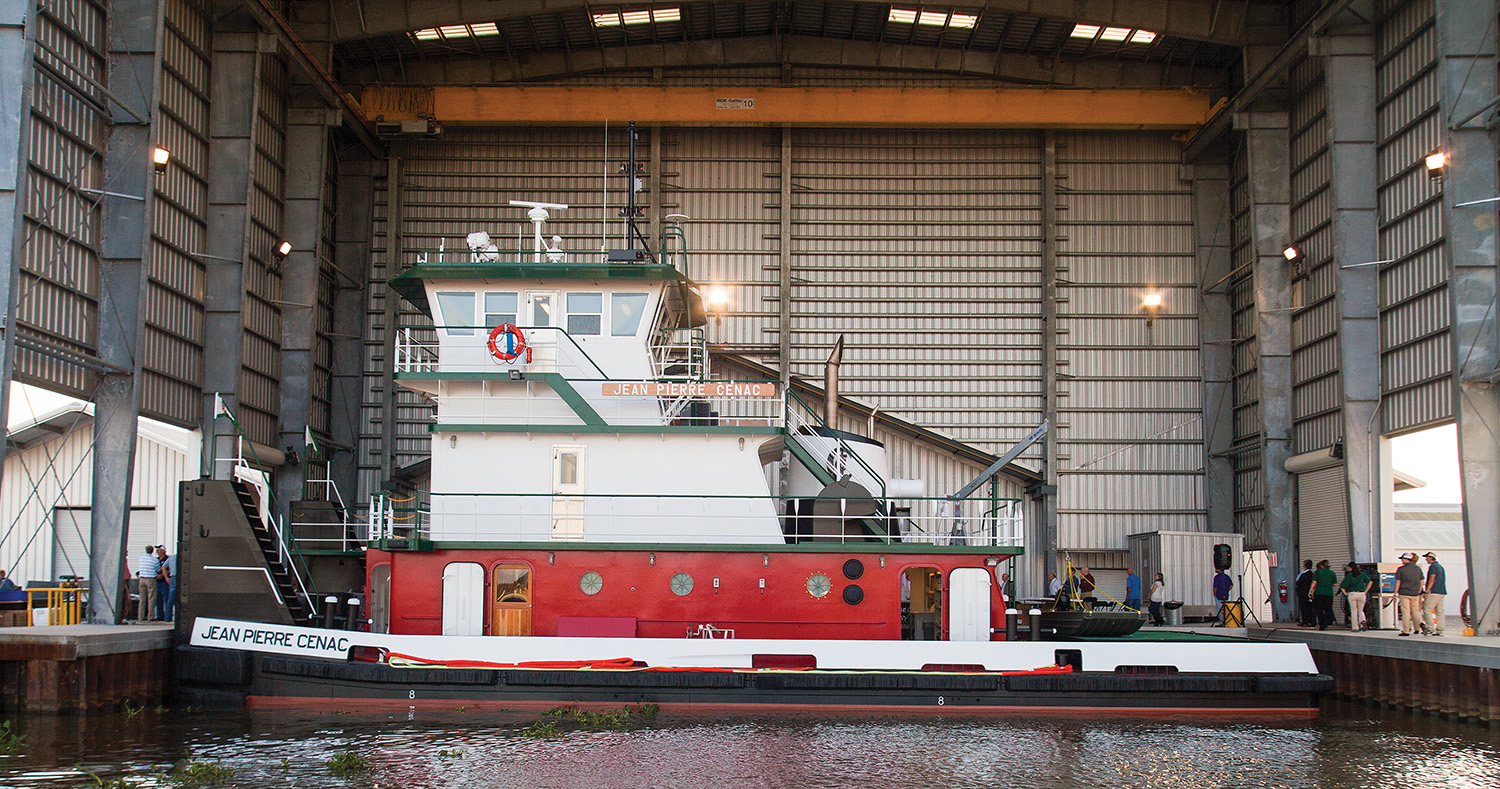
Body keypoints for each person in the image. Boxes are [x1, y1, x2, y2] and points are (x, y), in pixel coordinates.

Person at [1394, 552, 1425, 636]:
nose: (1401, 560)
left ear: (1405, 559)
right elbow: (1422, 581)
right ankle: (1422, 623)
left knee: (1406, 612)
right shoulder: (1418, 569)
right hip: (1415, 593)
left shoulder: (1401, 569)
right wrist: (1418, 591)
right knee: (1416, 611)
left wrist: (1395, 593)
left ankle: (1406, 630)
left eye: (1402, 559)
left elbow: (1398, 582)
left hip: (1404, 593)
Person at [1338, 562, 1371, 632]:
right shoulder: (1362, 575)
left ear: (1351, 568)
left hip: (1352, 594)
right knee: (1360, 610)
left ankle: (1355, 627)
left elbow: (1342, 586)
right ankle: (1362, 620)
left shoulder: (1349, 576)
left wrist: (1345, 593)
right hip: (1362, 594)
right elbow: (1370, 582)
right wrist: (1366, 591)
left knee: (1354, 611)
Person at [1422, 551, 1446, 636]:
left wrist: (1427, 591)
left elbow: (1432, 579)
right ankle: (1440, 630)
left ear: (1431, 558)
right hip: (1442, 591)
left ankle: (1430, 628)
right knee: (1440, 611)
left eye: (1427, 557)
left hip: (1434, 591)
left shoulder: (1432, 567)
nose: (1426, 559)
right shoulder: (1440, 567)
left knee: (1427, 609)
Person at [1310, 559, 1337, 631]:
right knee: (1328, 608)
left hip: (1319, 592)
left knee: (1319, 609)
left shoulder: (1318, 572)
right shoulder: (1332, 573)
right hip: (1329, 593)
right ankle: (1330, 621)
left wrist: (1310, 591)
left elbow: (1314, 582)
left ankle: (1322, 625)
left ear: (1321, 565)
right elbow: (1335, 584)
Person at [155, 545, 173, 622]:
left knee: (166, 598)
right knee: (158, 599)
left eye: (159, 550)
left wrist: (163, 575)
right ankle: (159, 615)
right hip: (157, 581)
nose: (157, 551)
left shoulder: (167, 559)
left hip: (164, 582)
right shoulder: (156, 560)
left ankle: (167, 615)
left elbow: (170, 569)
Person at [1295, 559, 1315, 627]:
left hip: (1303, 593)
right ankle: (1311, 621)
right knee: (1311, 607)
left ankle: (1305, 621)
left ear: (1305, 566)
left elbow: (1298, 582)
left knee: (1304, 608)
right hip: (1311, 593)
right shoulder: (1313, 573)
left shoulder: (1303, 574)